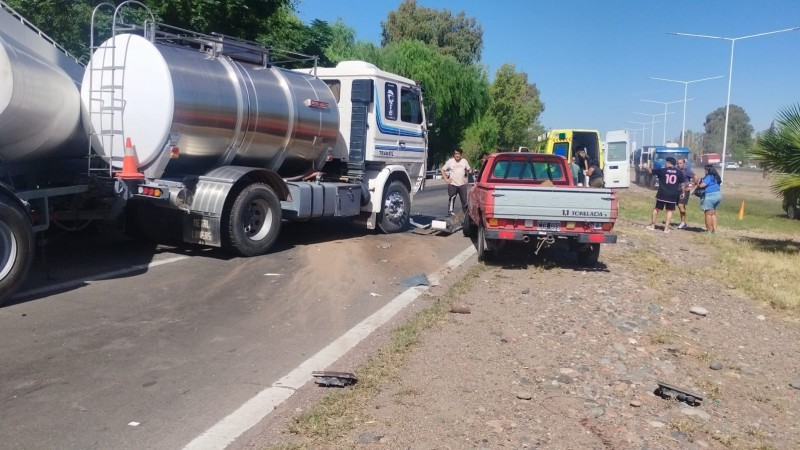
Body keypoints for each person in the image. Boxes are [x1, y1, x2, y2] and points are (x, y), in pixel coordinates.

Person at [646, 157, 685, 233]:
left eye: (666, 162)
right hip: (673, 195)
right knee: (669, 211)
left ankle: (652, 226)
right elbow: (683, 184)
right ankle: (666, 229)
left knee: (656, 209)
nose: (665, 164)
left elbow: (651, 171)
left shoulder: (662, 170)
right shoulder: (679, 172)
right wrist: (682, 193)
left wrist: (646, 167)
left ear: (668, 163)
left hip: (662, 194)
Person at [441, 148, 471, 216]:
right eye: (456, 154)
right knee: (452, 198)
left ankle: (465, 213)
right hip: (453, 184)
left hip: (462, 184)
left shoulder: (464, 161)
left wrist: (466, 177)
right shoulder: (450, 161)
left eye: (458, 154)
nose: (457, 155)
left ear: (461, 154)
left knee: (464, 200)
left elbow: (469, 170)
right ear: (454, 154)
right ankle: (450, 212)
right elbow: (443, 170)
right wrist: (446, 179)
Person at [697, 164, 722, 234]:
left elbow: (703, 185)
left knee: (708, 214)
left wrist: (698, 183)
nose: (704, 171)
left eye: (705, 169)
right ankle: (715, 230)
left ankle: (708, 231)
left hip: (710, 196)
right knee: (713, 213)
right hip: (718, 195)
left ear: (707, 170)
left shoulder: (709, 176)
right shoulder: (716, 176)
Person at [675, 158, 696, 229]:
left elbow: (696, 178)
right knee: (679, 206)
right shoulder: (676, 170)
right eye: (678, 163)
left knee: (681, 205)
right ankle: (683, 222)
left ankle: (683, 223)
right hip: (677, 189)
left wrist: (692, 186)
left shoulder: (687, 170)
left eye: (680, 163)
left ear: (684, 164)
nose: (679, 164)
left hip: (685, 190)